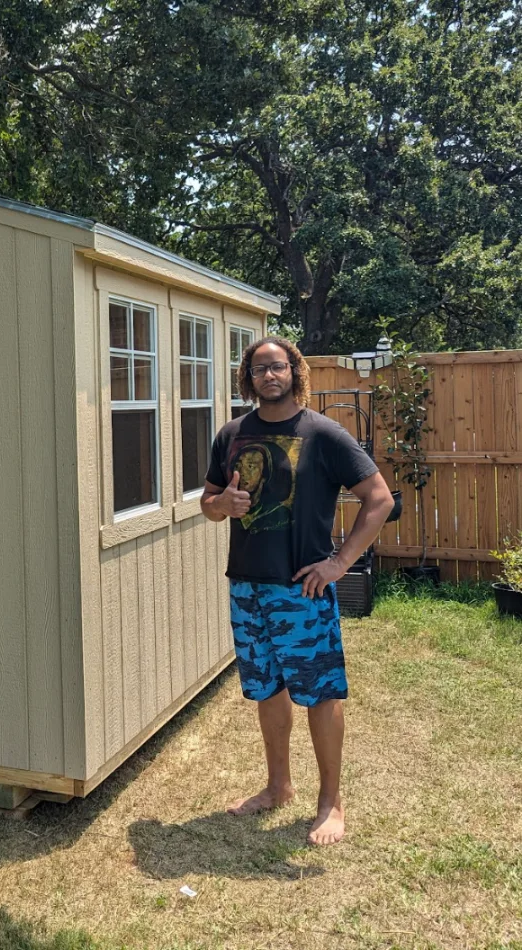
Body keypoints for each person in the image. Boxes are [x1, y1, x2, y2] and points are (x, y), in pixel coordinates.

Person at [201, 336, 394, 846]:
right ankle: (278, 786)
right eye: (259, 368)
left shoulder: (323, 433)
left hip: (301, 590)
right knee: (267, 689)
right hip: (247, 587)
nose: (269, 375)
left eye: (278, 366)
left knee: (321, 693)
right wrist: (222, 506)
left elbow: (379, 499)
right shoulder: (231, 435)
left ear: (295, 371)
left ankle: (331, 802)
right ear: (248, 377)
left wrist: (339, 563)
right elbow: (208, 501)